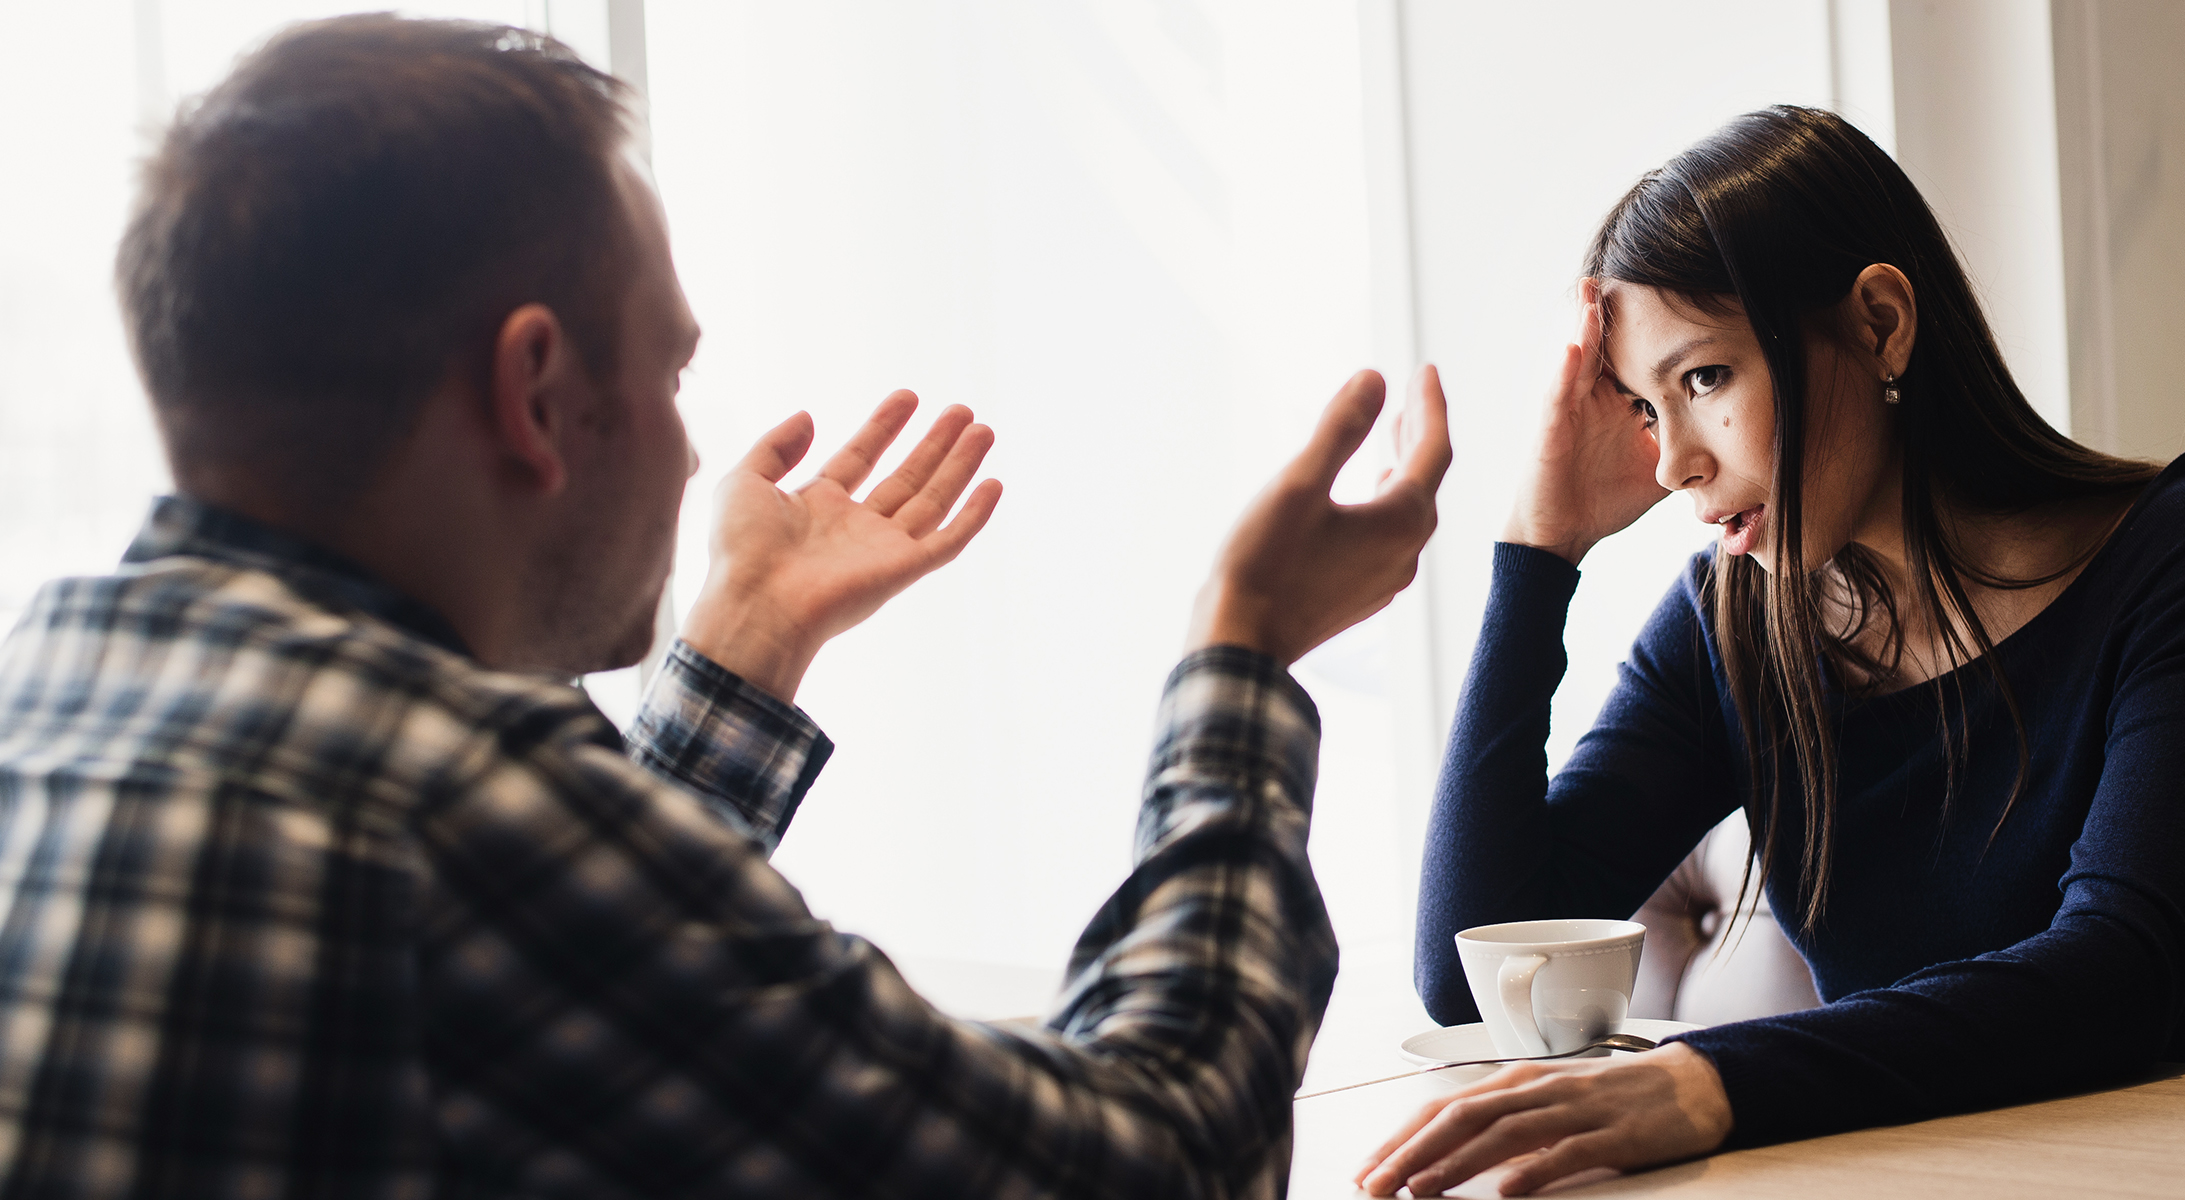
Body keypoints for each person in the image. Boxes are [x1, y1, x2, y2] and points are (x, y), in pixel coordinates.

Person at [0, 16, 1453, 1198]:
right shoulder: (448, 799)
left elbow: (535, 990)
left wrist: (744, 645)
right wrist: (1245, 648)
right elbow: (1163, 1164)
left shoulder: (54, 689)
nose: (694, 447)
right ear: (536, 390)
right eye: (674, 372)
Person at [1359, 106, 2185, 1197]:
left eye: (1703, 379)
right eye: (1643, 410)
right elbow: (1473, 969)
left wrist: (1712, 1082)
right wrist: (1537, 556)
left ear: (1882, 323)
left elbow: (2115, 977)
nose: (1671, 467)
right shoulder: (1732, 618)